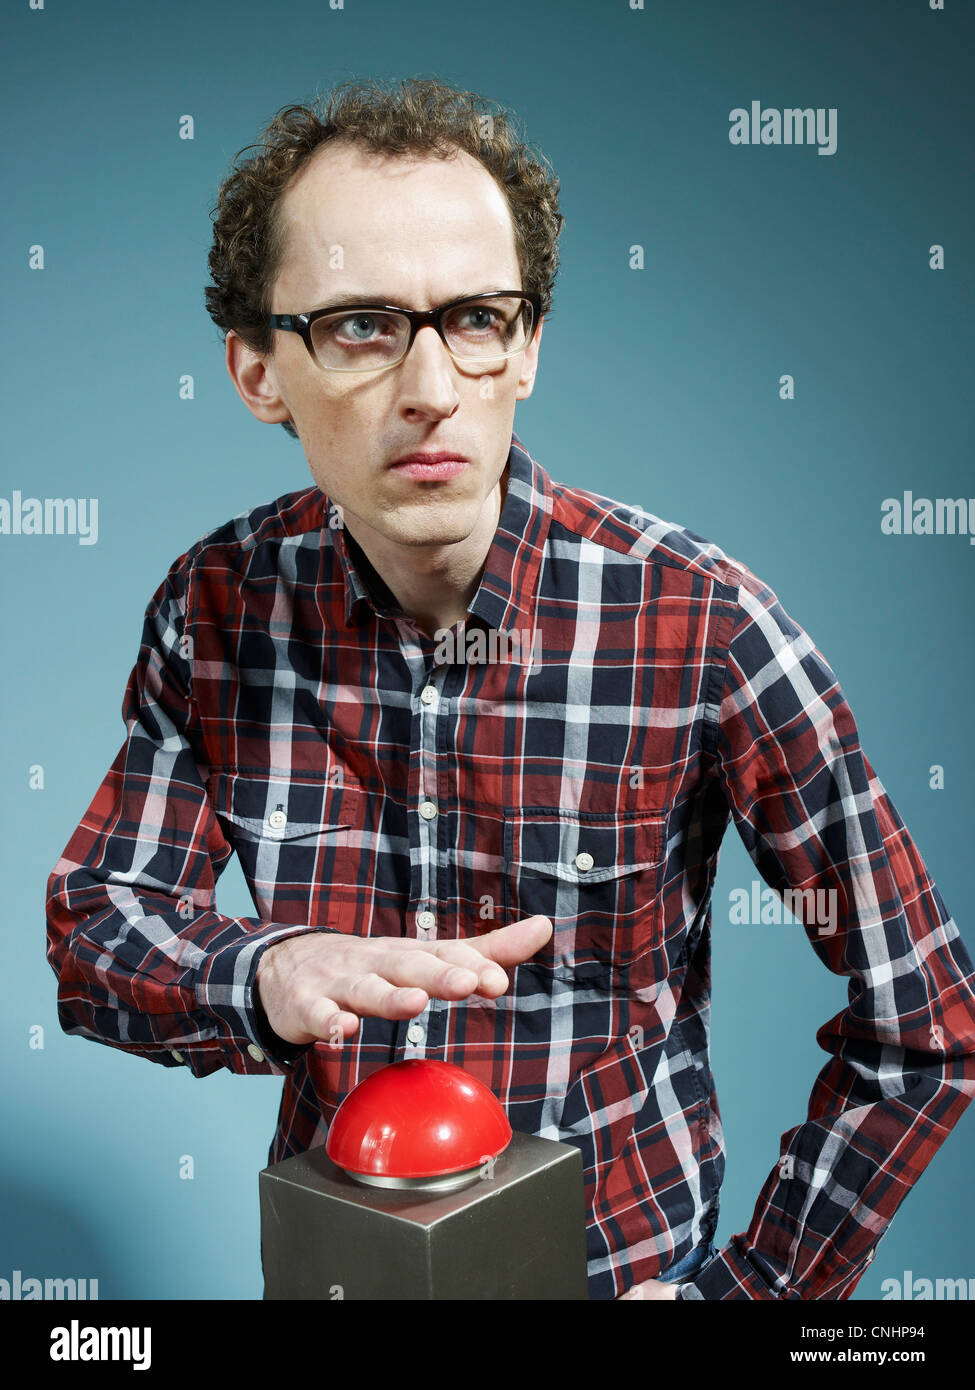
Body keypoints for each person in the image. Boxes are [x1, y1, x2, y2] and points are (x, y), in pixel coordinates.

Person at [46, 76, 975, 1302]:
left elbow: (928, 1025)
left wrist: (756, 1295)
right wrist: (265, 975)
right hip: (339, 1275)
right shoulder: (215, 605)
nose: (431, 385)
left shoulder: (701, 622)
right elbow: (97, 926)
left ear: (526, 345)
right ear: (260, 371)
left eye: (476, 317)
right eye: (364, 325)